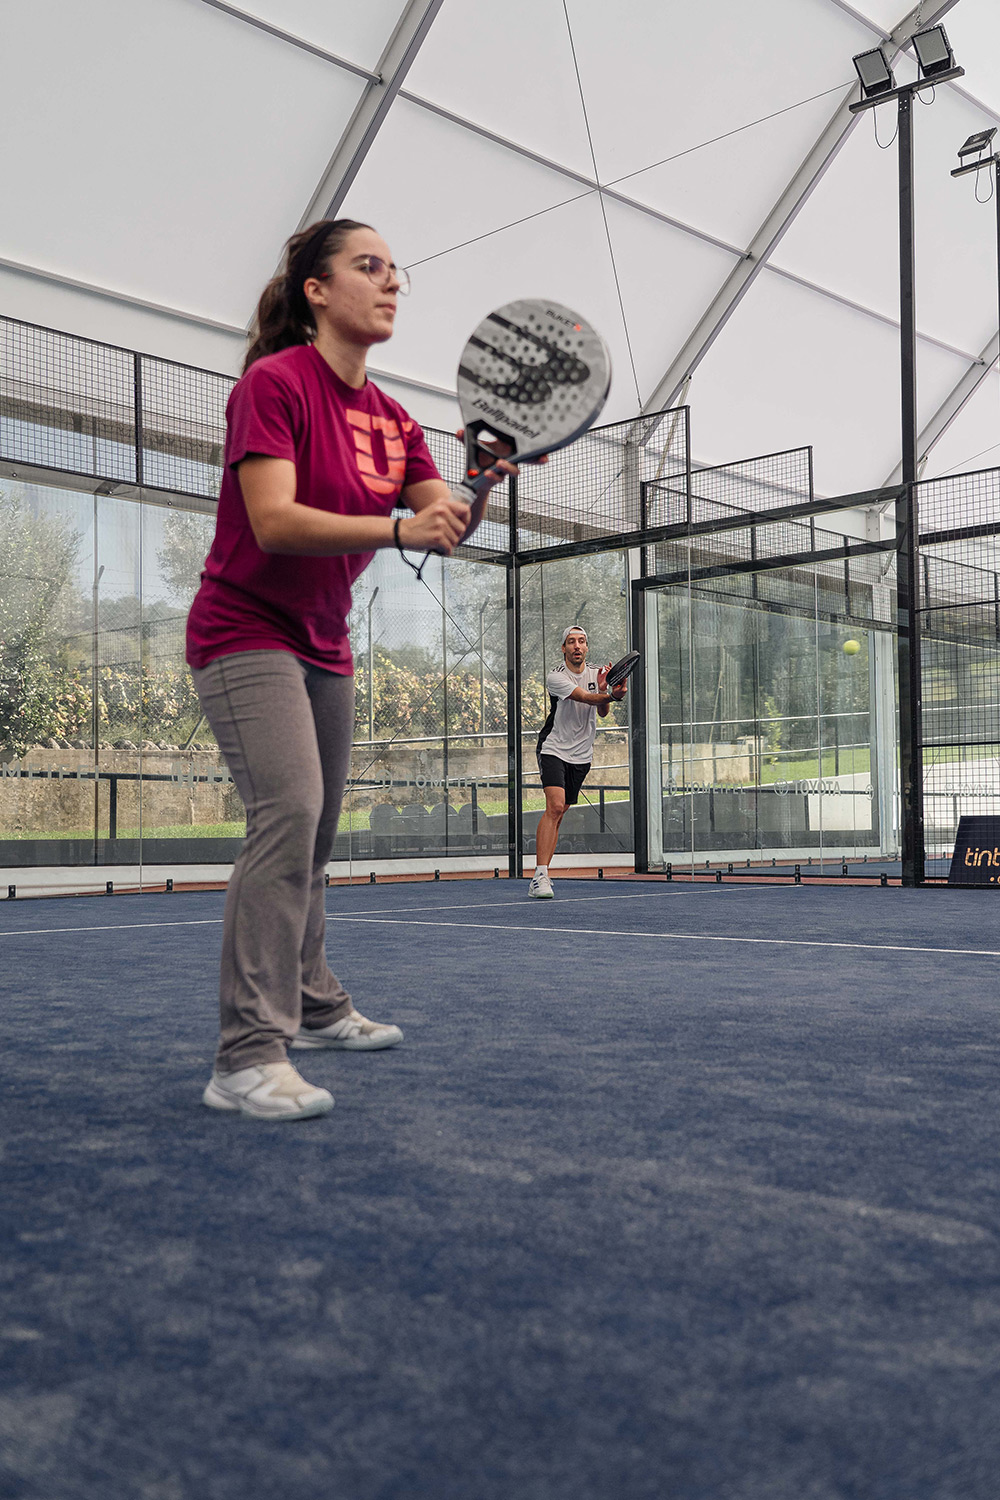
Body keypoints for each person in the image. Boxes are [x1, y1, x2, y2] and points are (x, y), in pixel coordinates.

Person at [186, 218, 515, 1120]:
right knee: (289, 812)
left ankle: (317, 1006)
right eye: (370, 267)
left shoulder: (394, 418)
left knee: (318, 832)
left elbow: (444, 524)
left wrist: (483, 478)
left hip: (324, 641)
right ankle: (246, 1057)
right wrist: (401, 525)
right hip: (242, 630)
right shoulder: (274, 384)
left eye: (397, 270)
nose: (392, 281)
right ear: (317, 290)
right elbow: (274, 521)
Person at [529, 626, 627, 899]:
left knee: (560, 813)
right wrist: (613, 695)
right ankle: (540, 876)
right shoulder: (556, 676)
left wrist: (606, 689)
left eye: (581, 641)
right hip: (554, 748)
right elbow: (583, 697)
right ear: (564, 648)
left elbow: (602, 712)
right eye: (571, 642)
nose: (577, 646)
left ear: (586, 647)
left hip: (582, 754)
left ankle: (542, 873)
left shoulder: (597, 673)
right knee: (555, 806)